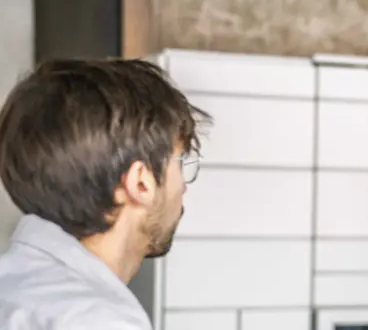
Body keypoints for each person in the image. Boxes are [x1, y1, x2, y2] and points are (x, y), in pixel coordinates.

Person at [0, 59, 211, 329]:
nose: (183, 186)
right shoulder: (100, 320)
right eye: (181, 163)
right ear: (140, 183)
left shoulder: (12, 288)